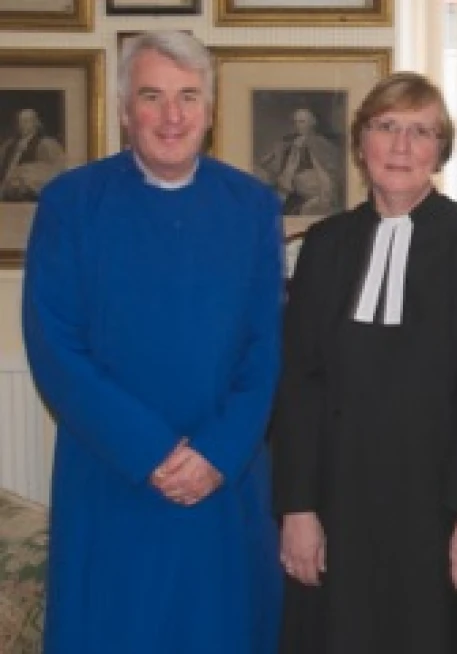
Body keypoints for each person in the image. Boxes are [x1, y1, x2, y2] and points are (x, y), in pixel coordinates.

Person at [23, 31, 284, 654]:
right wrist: (152, 452)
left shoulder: (252, 206)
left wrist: (216, 454)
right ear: (123, 110)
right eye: (153, 96)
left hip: (222, 484)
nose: (173, 116)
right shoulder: (71, 202)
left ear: (210, 111)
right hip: (113, 477)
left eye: (189, 96)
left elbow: (265, 347)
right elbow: (55, 346)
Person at [270, 71, 457, 654]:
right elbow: (300, 384)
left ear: (441, 149)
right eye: (387, 128)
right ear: (360, 144)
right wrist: (298, 508)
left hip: (440, 510)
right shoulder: (325, 245)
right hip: (340, 507)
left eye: (421, 132)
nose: (402, 147)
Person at [256, 107, 343, 216]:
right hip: (290, 190)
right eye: (296, 122)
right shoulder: (287, 143)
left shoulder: (319, 143)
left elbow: (326, 175)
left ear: (312, 123)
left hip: (312, 193)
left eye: (302, 122)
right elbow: (267, 163)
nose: (298, 125)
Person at [0, 107, 65, 201]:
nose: (22, 125)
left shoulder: (46, 144)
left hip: (28, 197)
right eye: (20, 121)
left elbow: (54, 172)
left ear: (36, 123)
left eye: (26, 121)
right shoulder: (8, 145)